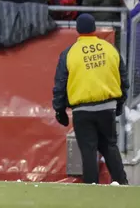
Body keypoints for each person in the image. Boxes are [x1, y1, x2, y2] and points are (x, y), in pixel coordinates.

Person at [52, 13, 128, 185]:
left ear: (78, 30)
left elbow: (60, 84)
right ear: (94, 28)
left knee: (88, 150)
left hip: (82, 110)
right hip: (107, 107)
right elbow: (123, 79)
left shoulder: (69, 53)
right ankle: (122, 184)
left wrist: (60, 110)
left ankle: (91, 187)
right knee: (110, 146)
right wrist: (120, 104)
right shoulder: (110, 49)